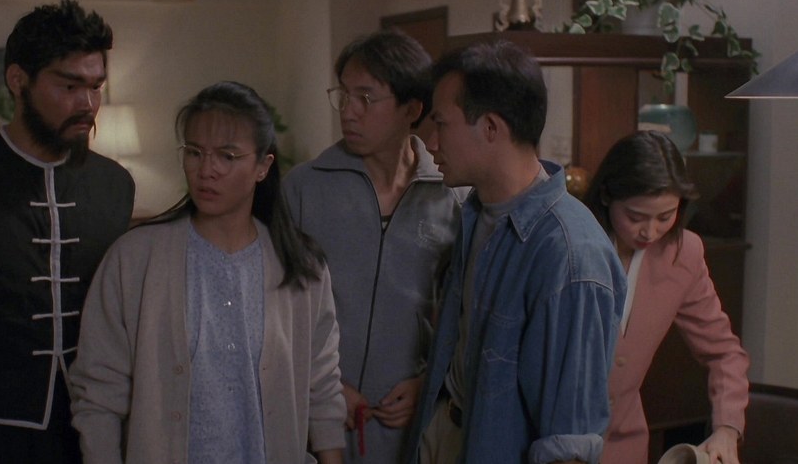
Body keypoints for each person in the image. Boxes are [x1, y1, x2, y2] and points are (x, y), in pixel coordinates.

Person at [69, 81, 346, 464]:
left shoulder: (301, 267)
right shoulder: (135, 259)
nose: (206, 170)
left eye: (227, 156)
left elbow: (323, 385)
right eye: (195, 153)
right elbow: (98, 392)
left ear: (263, 166)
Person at [406, 40, 626, 464]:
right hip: (446, 431)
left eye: (441, 124)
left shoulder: (569, 253)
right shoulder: (476, 215)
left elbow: (569, 440)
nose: (429, 141)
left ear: (491, 127)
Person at [0, 0, 134, 463]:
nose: (88, 104)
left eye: (96, 86)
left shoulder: (116, 185)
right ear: (18, 79)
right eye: (69, 86)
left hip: (93, 426)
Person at [282, 29, 465, 463]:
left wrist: (429, 383)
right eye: (343, 95)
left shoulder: (453, 194)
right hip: (315, 420)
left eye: (366, 97)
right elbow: (277, 306)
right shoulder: (303, 188)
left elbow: (462, 313)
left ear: (412, 109)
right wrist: (321, 387)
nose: (349, 111)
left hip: (411, 422)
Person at [582, 130, 749, 464]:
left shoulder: (682, 253)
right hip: (554, 444)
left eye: (665, 216)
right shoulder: (572, 243)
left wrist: (727, 428)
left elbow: (724, 352)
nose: (650, 231)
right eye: (635, 217)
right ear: (606, 195)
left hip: (624, 445)